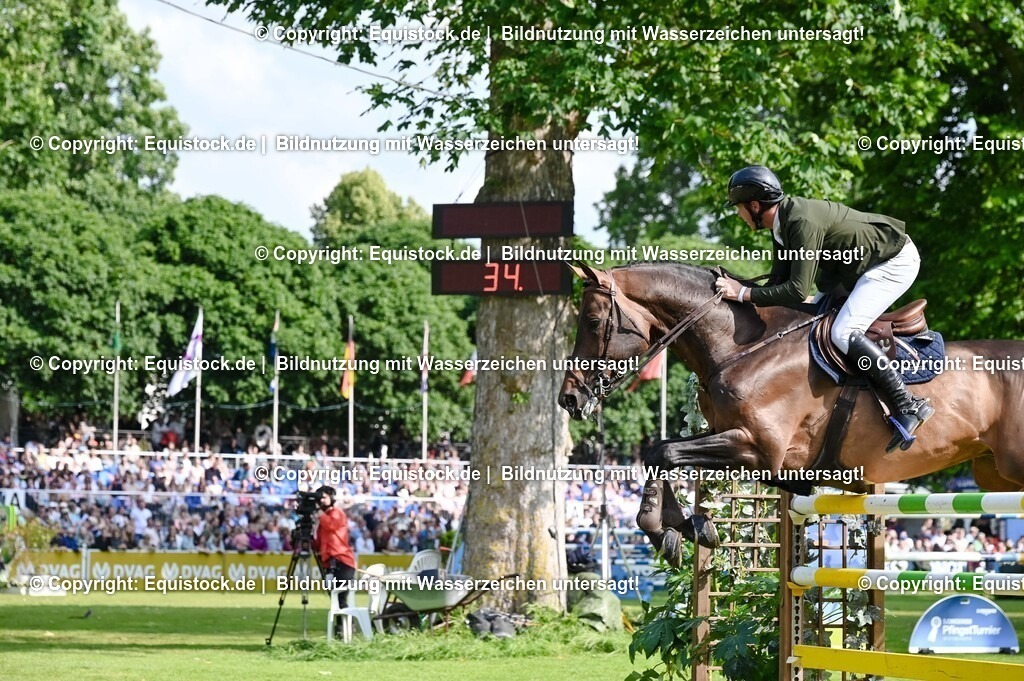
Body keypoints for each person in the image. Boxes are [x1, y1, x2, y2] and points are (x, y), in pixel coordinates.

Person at [717, 165, 934, 452]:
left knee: (843, 332)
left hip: (892, 262)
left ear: (755, 205)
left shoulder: (800, 221)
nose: (738, 214)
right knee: (807, 325)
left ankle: (907, 404)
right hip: (852, 271)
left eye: (738, 207)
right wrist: (738, 290)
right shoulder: (782, 226)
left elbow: (797, 290)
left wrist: (742, 293)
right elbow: (779, 284)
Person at [311, 486, 357, 610]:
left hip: (342, 561)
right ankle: (340, 627)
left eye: (324, 497)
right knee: (334, 599)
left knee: (341, 598)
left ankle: (346, 626)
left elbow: (331, 525)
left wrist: (318, 512)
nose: (321, 501)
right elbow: (319, 543)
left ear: (331, 498)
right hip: (330, 563)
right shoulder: (323, 519)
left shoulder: (338, 513)